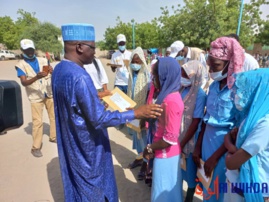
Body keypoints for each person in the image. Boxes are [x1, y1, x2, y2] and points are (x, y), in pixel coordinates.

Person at [52, 23, 163, 202]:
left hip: (71, 140)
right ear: (79, 47)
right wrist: (135, 113)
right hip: (87, 145)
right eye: (93, 48)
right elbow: (98, 119)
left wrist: (93, 101)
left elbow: (73, 106)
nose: (95, 53)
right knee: (93, 187)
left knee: (78, 183)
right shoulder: (79, 76)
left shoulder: (59, 69)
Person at [192, 36, 245, 201]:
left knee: (221, 190)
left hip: (224, 148)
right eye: (210, 65)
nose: (211, 71)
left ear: (230, 63)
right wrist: (198, 147)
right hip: (207, 141)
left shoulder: (239, 91)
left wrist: (215, 157)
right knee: (207, 186)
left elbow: (235, 130)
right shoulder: (214, 86)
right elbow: (206, 119)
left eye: (216, 66)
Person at [224, 69, 269, 202]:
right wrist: (232, 149)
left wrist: (230, 155)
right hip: (235, 184)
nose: (238, 95)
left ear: (258, 92)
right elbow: (228, 137)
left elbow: (232, 162)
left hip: (252, 188)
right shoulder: (251, 118)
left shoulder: (265, 124)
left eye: (244, 91)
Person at [143, 57, 184, 202]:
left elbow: (169, 138)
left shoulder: (171, 100)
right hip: (162, 151)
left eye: (155, 76)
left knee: (163, 193)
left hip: (166, 154)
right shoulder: (166, 95)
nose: (153, 79)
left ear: (164, 76)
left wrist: (149, 147)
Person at [15, 39, 56, 158]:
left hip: (48, 92)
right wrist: (36, 77)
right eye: (27, 50)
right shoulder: (20, 65)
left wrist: (51, 71)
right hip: (35, 96)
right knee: (37, 122)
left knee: (54, 117)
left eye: (31, 49)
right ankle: (36, 147)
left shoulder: (43, 60)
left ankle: (53, 137)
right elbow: (24, 82)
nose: (30, 52)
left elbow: (49, 71)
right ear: (23, 51)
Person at [179, 60, 207, 202]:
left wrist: (182, 142)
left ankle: (189, 197)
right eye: (182, 72)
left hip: (190, 138)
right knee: (180, 169)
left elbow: (196, 121)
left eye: (185, 74)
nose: (182, 76)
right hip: (179, 135)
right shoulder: (182, 89)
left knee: (190, 172)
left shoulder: (200, 95)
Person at [126, 47, 150, 175]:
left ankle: (146, 162)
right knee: (136, 136)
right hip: (132, 110)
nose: (136, 64)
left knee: (144, 136)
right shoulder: (130, 74)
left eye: (138, 61)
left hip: (143, 110)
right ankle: (140, 157)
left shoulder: (146, 74)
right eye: (134, 61)